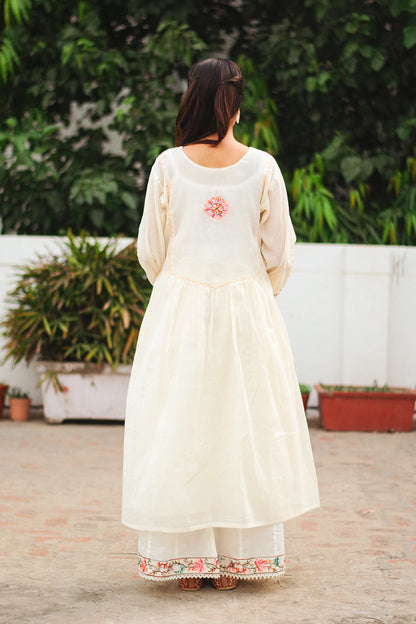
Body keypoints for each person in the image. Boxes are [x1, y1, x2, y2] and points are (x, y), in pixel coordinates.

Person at [121, 57, 320, 591]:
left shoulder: (167, 165)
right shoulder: (263, 167)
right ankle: (237, 562)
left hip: (179, 308)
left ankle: (188, 562)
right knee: (243, 428)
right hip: (246, 309)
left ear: (192, 98)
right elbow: (279, 250)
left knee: (181, 427)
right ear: (234, 102)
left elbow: (151, 251)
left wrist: (181, 289)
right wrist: (253, 290)